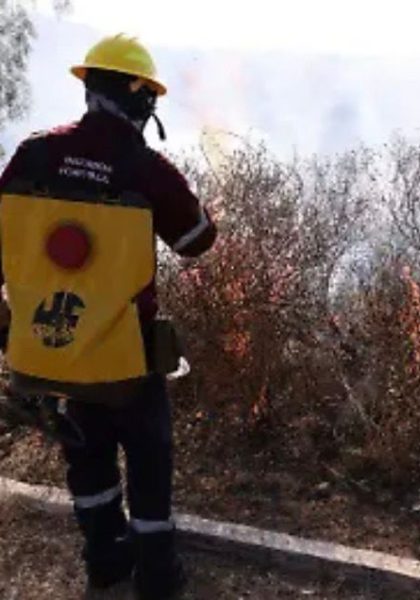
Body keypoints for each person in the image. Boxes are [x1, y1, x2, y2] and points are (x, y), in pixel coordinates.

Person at [0, 34, 216, 599]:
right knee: (149, 457)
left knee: (86, 452)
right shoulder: (146, 168)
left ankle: (104, 560)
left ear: (89, 88)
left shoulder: (33, 154)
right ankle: (158, 575)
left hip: (50, 345)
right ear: (141, 98)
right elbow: (196, 240)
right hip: (124, 353)